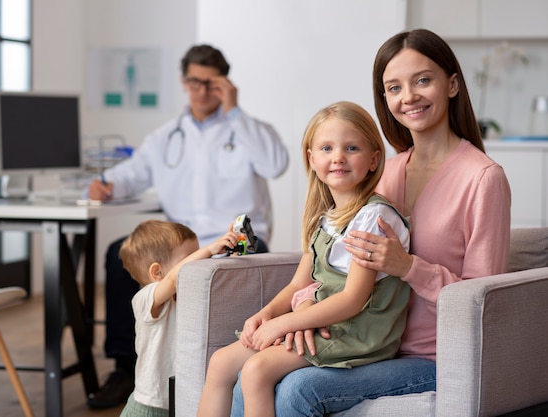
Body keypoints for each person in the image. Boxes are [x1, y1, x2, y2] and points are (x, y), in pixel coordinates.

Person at [229, 28, 512, 416]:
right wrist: (303, 312)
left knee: (297, 390)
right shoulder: (384, 173)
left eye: (423, 80)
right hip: (361, 339)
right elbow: (333, 266)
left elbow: (485, 301)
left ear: (453, 84)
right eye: (393, 87)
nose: (408, 96)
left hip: (432, 357)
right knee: (250, 374)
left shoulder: (483, 179)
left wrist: (410, 267)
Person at [87, 44, 289, 409]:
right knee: (117, 251)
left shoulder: (245, 129)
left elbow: (276, 165)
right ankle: (123, 368)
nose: (201, 90)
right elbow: (132, 173)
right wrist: (107, 183)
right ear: (183, 81)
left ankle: (232, 366)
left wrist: (235, 112)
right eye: (194, 82)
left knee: (243, 263)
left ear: (224, 84)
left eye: (211, 83)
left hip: (234, 242)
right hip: (178, 243)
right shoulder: (166, 136)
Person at [196, 101, 412, 417]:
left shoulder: (374, 218)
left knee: (257, 371)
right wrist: (266, 315)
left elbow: (353, 299)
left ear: (373, 159)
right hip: (326, 322)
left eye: (351, 147)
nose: (338, 157)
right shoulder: (326, 219)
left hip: (358, 331)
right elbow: (301, 282)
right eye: (326, 148)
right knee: (220, 363)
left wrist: (286, 323)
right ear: (311, 159)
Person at [117, 219, 239, 417]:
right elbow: (173, 278)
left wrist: (231, 252)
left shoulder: (190, 295)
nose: (201, 264)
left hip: (181, 402)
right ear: (157, 272)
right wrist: (209, 249)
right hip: (149, 407)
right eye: (192, 259)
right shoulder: (145, 299)